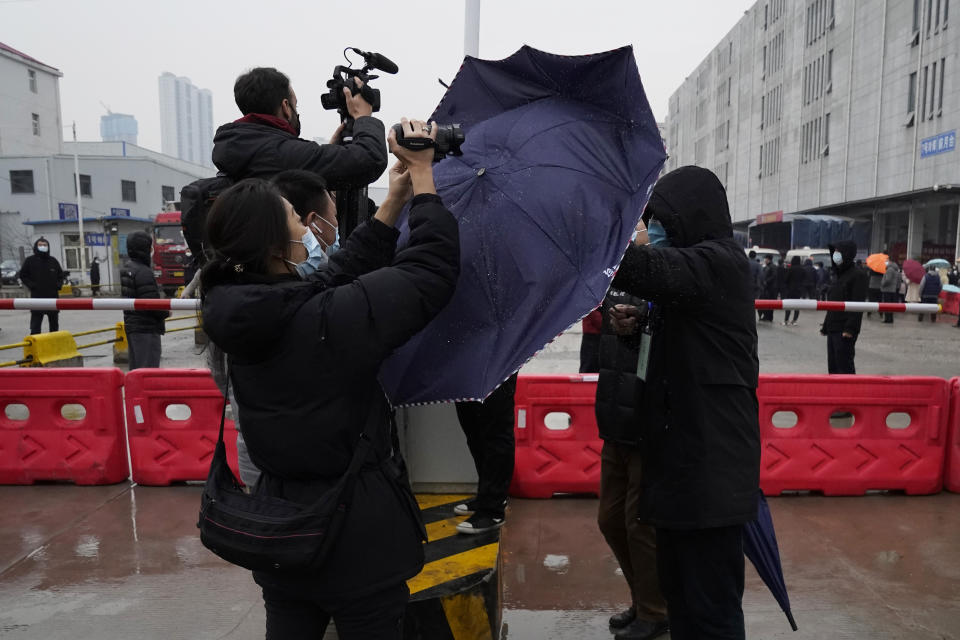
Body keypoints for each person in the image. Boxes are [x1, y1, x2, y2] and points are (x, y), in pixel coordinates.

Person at [200, 119, 459, 639]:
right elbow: (430, 271)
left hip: (280, 527)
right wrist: (427, 177)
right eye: (296, 218)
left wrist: (396, 197)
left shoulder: (238, 308)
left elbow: (331, 277)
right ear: (276, 247)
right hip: (353, 531)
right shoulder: (324, 320)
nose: (307, 227)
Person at [608, 166, 760, 640]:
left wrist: (603, 230)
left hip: (710, 473)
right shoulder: (689, 276)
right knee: (681, 601)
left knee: (711, 610)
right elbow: (676, 357)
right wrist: (637, 331)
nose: (655, 229)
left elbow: (647, 269)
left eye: (661, 220)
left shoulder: (720, 262)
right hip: (678, 471)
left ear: (689, 216)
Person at [595, 277, 669, 640]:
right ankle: (643, 601)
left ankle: (655, 611)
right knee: (610, 519)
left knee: (640, 525)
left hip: (647, 423)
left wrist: (643, 321)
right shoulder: (608, 277)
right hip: (613, 417)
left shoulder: (668, 280)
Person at [212, 67, 387, 187]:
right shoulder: (279, 153)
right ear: (285, 107)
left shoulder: (238, 148)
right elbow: (369, 160)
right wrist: (364, 117)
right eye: (296, 105)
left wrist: (331, 152)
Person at [452, 374, 517, 535]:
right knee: (474, 430)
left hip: (497, 365)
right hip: (467, 365)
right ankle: (486, 495)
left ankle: (493, 508)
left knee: (496, 432)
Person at [121, 232, 170, 369]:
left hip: (132, 326)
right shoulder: (144, 272)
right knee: (148, 372)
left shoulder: (127, 267)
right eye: (150, 246)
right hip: (146, 329)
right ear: (144, 249)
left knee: (136, 369)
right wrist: (166, 312)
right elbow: (151, 304)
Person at [820, 241, 868, 374]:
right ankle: (835, 394)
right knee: (833, 366)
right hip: (833, 328)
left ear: (846, 254)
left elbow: (857, 305)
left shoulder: (858, 275)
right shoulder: (838, 275)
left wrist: (850, 329)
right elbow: (833, 303)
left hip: (844, 330)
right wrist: (826, 326)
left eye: (838, 252)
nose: (835, 255)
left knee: (844, 366)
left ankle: (849, 393)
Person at [18, 237, 65, 334]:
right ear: (36, 247)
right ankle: (35, 345)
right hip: (37, 298)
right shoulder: (30, 261)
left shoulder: (53, 261)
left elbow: (61, 276)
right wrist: (32, 285)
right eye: (40, 245)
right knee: (35, 326)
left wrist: (58, 285)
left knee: (54, 326)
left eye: (45, 245)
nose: (43, 247)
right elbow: (23, 275)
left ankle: (53, 344)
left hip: (52, 298)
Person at [781, 255, 805, 325]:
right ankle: (794, 321)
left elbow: (786, 279)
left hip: (790, 289)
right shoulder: (802, 269)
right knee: (797, 306)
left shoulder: (791, 269)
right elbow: (804, 279)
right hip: (799, 290)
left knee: (789, 305)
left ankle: (786, 320)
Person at [880, 259, 901, 324]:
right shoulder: (895, 269)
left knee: (887, 305)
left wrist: (882, 283)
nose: (886, 263)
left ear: (890, 262)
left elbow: (888, 280)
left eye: (887, 261)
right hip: (892, 289)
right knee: (891, 305)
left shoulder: (890, 269)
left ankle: (887, 319)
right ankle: (890, 318)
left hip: (887, 289)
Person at [759, 254, 778, 322]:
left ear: (768, 259)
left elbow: (774, 276)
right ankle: (767, 316)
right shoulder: (767, 266)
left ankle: (769, 317)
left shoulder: (772, 267)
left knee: (769, 302)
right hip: (767, 288)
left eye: (765, 259)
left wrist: (766, 281)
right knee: (767, 302)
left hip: (771, 288)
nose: (764, 260)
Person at [747, 250, 762, 320]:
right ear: (755, 256)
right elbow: (761, 275)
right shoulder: (758, 265)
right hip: (755, 287)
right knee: (755, 303)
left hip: (746, 286)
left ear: (749, 255)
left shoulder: (745, 262)